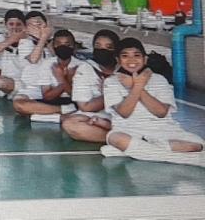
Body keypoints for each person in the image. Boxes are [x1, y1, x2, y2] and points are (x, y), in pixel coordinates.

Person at [101, 38, 205, 166]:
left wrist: (137, 86)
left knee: (198, 144)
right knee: (117, 139)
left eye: (137, 55)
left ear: (145, 59)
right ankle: (179, 158)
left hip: (164, 131)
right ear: (118, 60)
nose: (131, 60)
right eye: (125, 56)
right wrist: (137, 86)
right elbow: (124, 113)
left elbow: (161, 112)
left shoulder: (159, 79)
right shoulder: (111, 82)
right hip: (129, 130)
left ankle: (141, 150)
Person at [62, 30, 119, 144]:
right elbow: (85, 107)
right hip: (98, 115)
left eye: (108, 47)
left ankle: (121, 138)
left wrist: (110, 90)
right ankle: (119, 139)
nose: (102, 50)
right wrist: (108, 93)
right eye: (98, 46)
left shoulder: (124, 68)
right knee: (70, 124)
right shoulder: (85, 68)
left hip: (123, 116)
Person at [13, 28, 79, 123]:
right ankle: (63, 113)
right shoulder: (48, 64)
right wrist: (66, 81)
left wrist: (61, 79)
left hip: (73, 102)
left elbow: (76, 96)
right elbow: (47, 96)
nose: (63, 47)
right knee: (19, 105)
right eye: (59, 44)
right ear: (54, 46)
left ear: (74, 46)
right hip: (56, 103)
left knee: (29, 113)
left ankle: (48, 116)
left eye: (67, 45)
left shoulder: (81, 65)